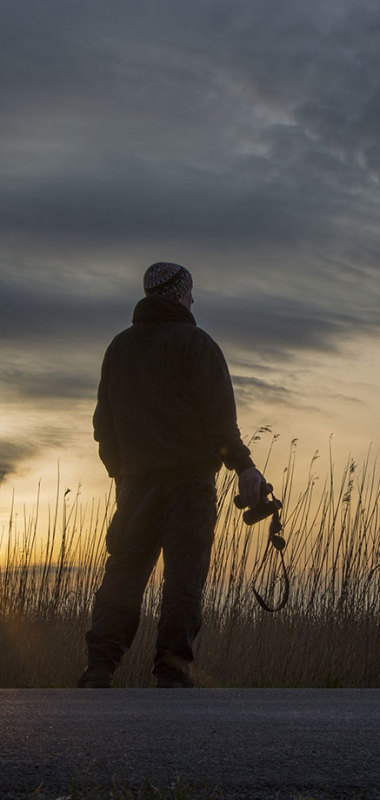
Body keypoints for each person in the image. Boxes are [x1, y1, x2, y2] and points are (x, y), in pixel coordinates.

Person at [78, 262, 267, 688]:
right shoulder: (198, 345)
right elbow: (220, 426)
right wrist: (245, 466)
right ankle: (171, 673)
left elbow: (103, 425)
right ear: (180, 293)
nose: (194, 299)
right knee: (184, 580)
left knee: (123, 576)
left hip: (136, 487)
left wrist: (122, 474)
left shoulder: (119, 348)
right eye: (191, 290)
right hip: (190, 485)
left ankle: (99, 669)